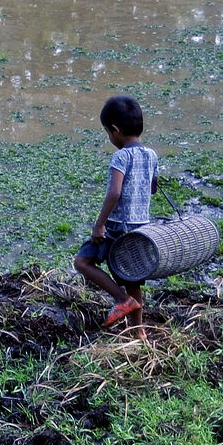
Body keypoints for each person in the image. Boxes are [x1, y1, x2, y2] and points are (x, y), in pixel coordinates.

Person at [74, 94, 159, 327]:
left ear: (115, 130)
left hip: (117, 228)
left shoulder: (120, 156)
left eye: (107, 132)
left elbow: (114, 193)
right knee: (133, 280)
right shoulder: (151, 155)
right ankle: (138, 332)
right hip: (141, 228)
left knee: (82, 262)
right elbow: (153, 188)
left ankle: (121, 300)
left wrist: (99, 224)